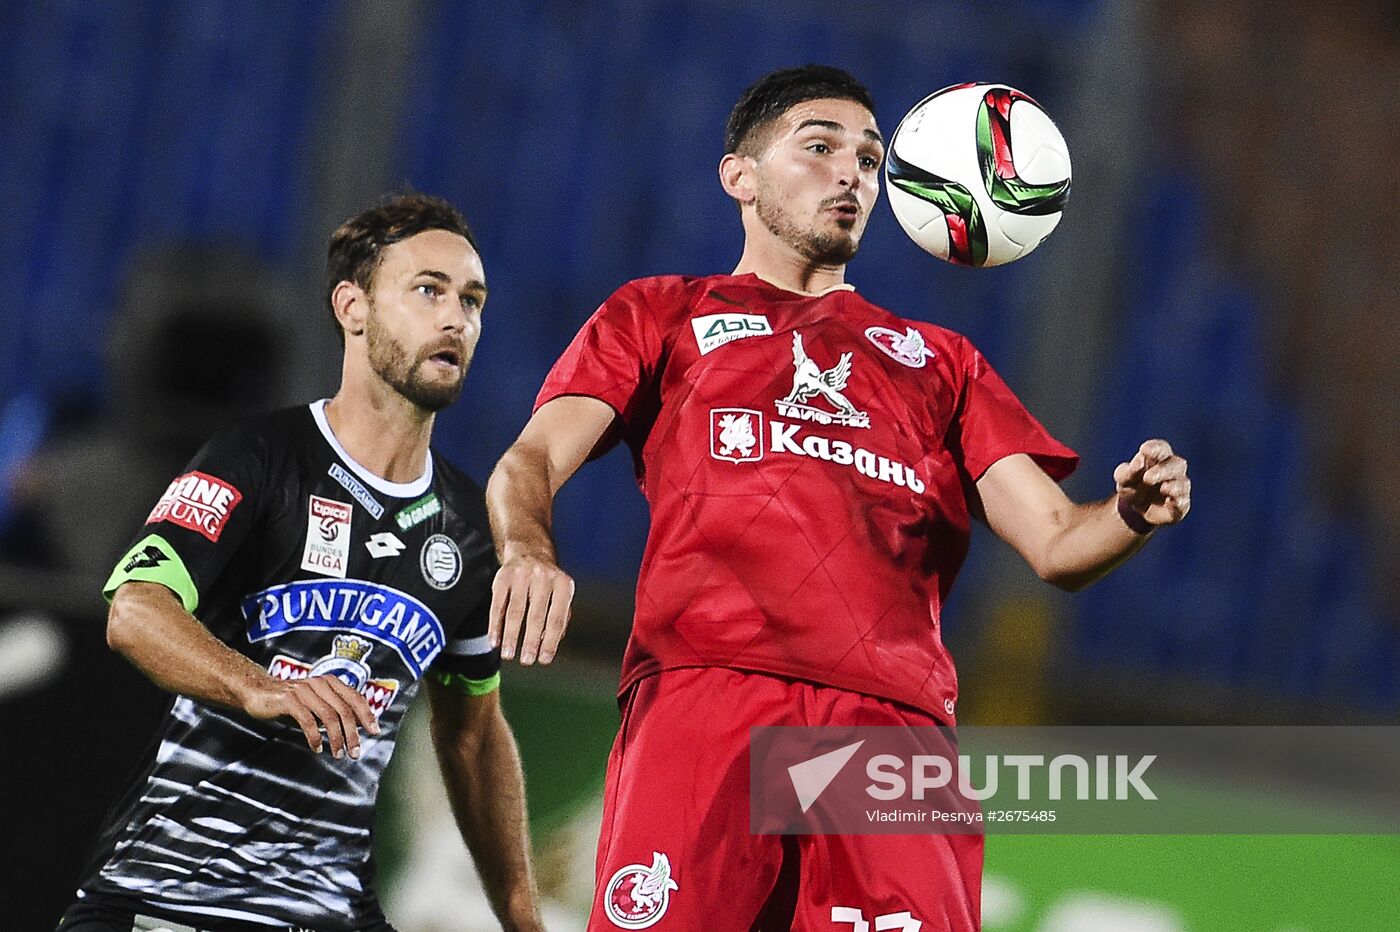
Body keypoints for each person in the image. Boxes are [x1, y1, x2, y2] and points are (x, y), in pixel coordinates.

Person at [486, 66, 1191, 930]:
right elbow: (529, 460)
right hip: (709, 699)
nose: (851, 173)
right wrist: (527, 546)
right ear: (738, 176)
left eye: (869, 157)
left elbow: (1053, 542)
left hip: (890, 734)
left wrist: (1126, 514)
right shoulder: (660, 313)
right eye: (819, 148)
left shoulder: (940, 362)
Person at [58, 194, 543, 932]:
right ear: (352, 306)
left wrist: (522, 917)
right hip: (174, 897)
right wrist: (259, 688)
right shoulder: (259, 457)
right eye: (428, 291)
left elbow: (472, 734)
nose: (456, 319)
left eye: (472, 300)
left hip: (328, 909)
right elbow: (135, 611)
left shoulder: (473, 529)